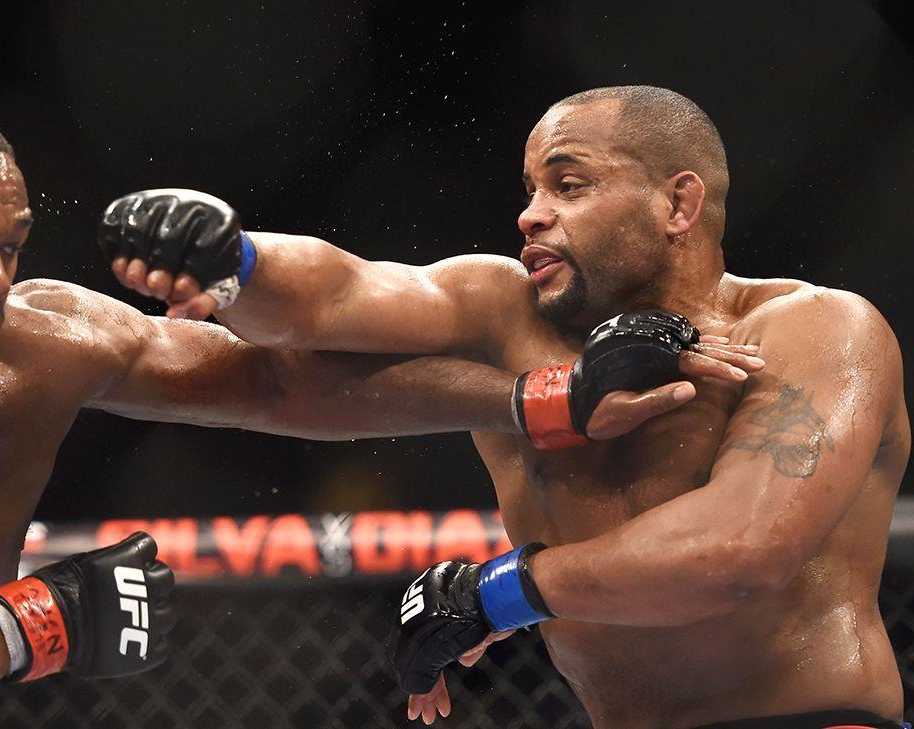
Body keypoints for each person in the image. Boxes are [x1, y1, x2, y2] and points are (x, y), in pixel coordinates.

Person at [0, 90, 756, 729]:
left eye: (9, 245)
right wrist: (18, 631)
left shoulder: (45, 340)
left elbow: (281, 379)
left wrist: (541, 402)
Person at [100, 85, 911, 728]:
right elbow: (344, 293)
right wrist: (237, 257)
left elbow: (742, 549)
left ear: (679, 204)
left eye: (569, 184)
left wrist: (493, 593)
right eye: (529, 189)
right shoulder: (505, 315)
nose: (531, 213)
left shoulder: (816, 329)